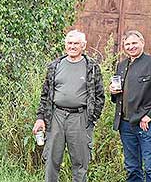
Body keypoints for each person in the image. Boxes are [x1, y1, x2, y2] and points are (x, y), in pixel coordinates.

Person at [32, 29, 105, 182]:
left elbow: (100, 96)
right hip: (56, 117)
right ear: (65, 45)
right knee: (52, 159)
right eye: (69, 43)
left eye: (76, 43)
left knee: (80, 162)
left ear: (83, 46)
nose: (72, 46)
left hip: (80, 118)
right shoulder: (55, 65)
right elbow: (45, 94)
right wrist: (40, 118)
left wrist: (90, 118)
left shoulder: (91, 66)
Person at [110, 30, 151, 182]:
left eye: (134, 43)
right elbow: (118, 97)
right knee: (132, 167)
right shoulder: (121, 65)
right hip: (125, 124)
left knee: (150, 167)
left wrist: (150, 115)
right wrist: (114, 92)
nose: (131, 47)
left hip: (146, 124)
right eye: (127, 44)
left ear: (142, 43)